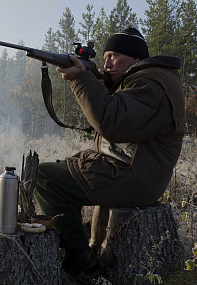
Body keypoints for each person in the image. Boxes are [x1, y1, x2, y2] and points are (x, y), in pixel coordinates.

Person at [33, 27, 185, 277]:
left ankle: (81, 261)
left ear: (135, 59)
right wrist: (106, 85)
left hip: (133, 177)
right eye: (104, 57)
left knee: (45, 178)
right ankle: (80, 243)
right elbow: (125, 118)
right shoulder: (149, 79)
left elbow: (113, 122)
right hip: (133, 170)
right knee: (62, 172)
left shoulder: (149, 84)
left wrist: (83, 79)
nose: (107, 62)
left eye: (113, 55)